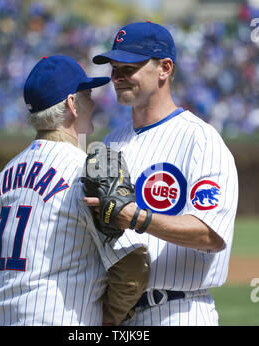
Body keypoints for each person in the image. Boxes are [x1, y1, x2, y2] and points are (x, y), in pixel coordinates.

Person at [84, 22, 239, 326]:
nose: (117, 77)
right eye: (114, 68)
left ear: (165, 68)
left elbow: (211, 233)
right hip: (117, 314)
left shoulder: (200, 139)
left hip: (178, 311)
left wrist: (136, 217)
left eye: (128, 68)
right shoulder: (110, 143)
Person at [0, 55, 149, 326]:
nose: (93, 102)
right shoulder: (86, 170)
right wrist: (106, 320)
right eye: (88, 94)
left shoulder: (5, 175)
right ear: (72, 104)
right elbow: (132, 264)